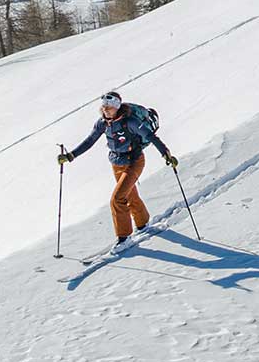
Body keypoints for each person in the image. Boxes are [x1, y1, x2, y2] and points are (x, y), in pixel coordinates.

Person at [58, 91, 175, 246]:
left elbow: (151, 137)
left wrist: (166, 154)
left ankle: (124, 238)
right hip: (117, 162)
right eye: (104, 105)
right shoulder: (102, 123)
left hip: (134, 161)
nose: (106, 108)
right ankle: (143, 223)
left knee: (117, 199)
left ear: (117, 106)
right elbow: (90, 140)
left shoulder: (130, 121)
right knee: (129, 194)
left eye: (110, 105)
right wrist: (71, 155)